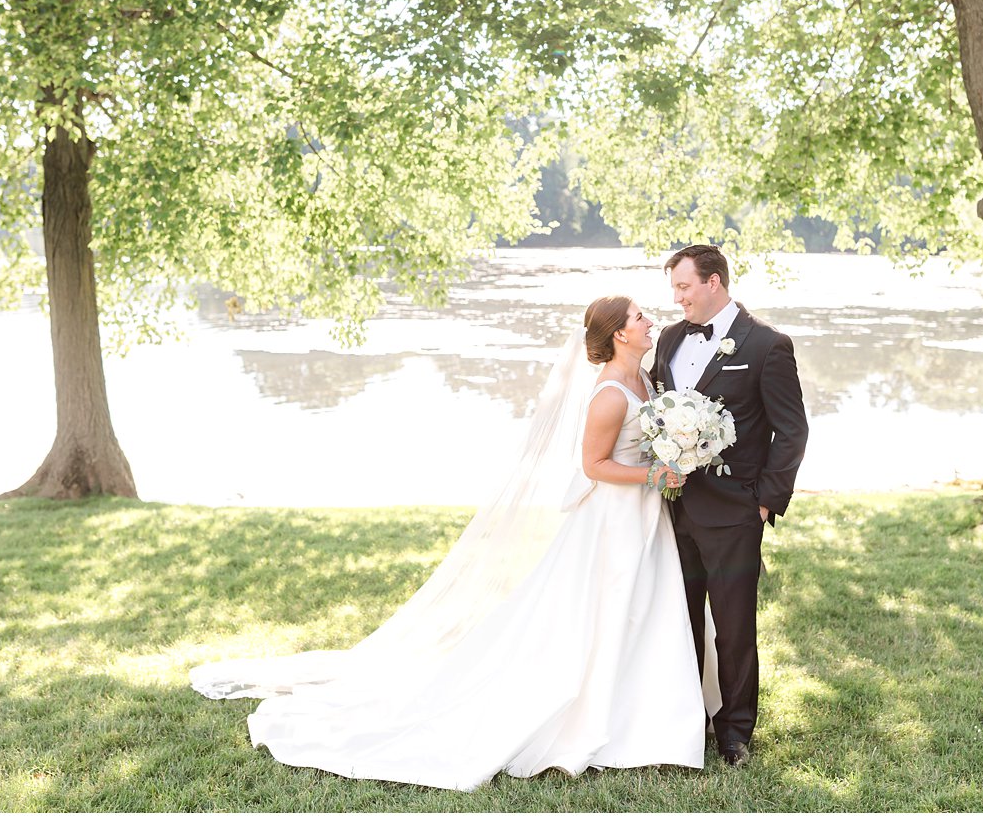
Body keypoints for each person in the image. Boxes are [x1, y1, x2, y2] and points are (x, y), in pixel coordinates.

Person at [191, 295, 716, 791]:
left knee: (644, 607)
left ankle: (645, 716)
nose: (650, 321)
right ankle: (605, 720)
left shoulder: (643, 378)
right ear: (620, 332)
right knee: (610, 609)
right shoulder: (608, 393)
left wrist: (673, 457)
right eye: (640, 316)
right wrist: (653, 477)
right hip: (613, 520)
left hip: (645, 515)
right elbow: (592, 466)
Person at [654, 244, 809, 768]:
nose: (676, 300)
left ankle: (735, 732)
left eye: (684, 287)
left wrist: (765, 502)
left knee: (735, 626)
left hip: (735, 512)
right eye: (675, 288)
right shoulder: (671, 339)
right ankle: (684, 718)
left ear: (714, 282)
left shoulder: (767, 345)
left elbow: (791, 431)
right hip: (672, 509)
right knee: (680, 619)